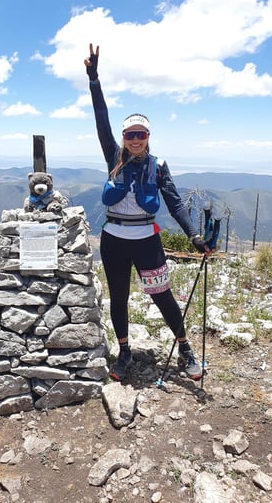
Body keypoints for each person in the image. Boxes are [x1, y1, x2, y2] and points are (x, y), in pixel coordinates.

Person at [84, 43, 211, 382]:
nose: (135, 140)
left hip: (145, 240)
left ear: (148, 136)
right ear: (123, 137)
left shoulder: (159, 166)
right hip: (113, 239)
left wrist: (194, 235)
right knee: (119, 298)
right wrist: (94, 81)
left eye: (140, 135)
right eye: (130, 135)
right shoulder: (114, 155)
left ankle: (185, 349)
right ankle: (124, 352)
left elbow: (175, 202)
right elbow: (101, 120)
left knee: (161, 295)